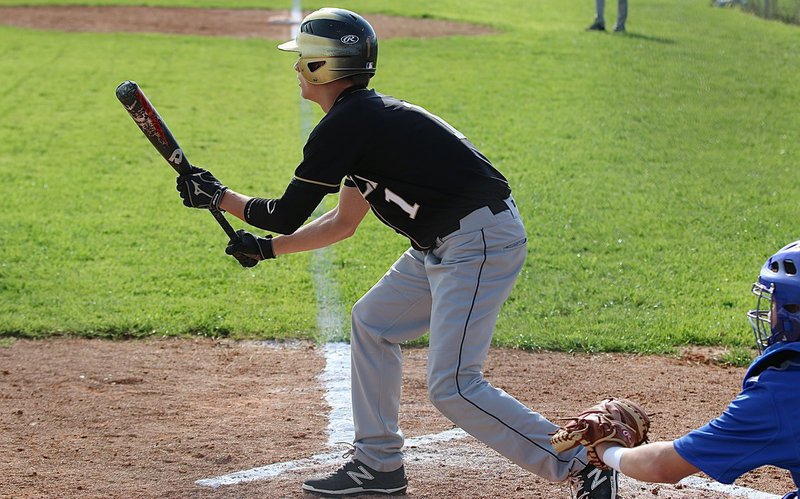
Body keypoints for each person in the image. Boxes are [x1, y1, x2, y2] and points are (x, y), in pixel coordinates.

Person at [176, 7, 620, 498]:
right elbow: (343, 223)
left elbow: (283, 213)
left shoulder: (348, 125)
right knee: (372, 322)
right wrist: (267, 250)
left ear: (325, 68)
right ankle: (378, 464)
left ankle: (583, 466)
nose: (296, 69)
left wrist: (218, 196)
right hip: (451, 242)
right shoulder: (365, 121)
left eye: (303, 60)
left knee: (453, 385)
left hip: (476, 244)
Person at [576, 240, 800, 499]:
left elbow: (662, 466)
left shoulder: (781, 394)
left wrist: (605, 448)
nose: (770, 314)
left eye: (775, 303)